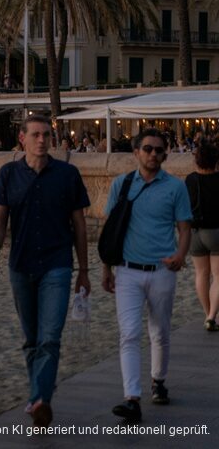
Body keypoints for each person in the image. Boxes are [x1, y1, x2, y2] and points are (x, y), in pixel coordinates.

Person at [0, 115, 91, 428]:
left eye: (47, 134)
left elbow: (80, 225)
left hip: (57, 265)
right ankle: (37, 395)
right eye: (36, 134)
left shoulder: (68, 174)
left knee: (50, 337)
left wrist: (83, 270)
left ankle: (42, 398)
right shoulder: (8, 174)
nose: (42, 140)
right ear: (22, 139)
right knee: (31, 339)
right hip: (20, 266)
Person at [102, 128, 193, 423]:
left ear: (165, 154)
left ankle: (159, 380)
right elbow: (111, 230)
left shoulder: (175, 187)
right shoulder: (122, 184)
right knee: (129, 334)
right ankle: (132, 398)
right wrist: (106, 267)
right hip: (127, 270)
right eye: (148, 149)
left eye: (159, 150)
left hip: (162, 269)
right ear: (136, 152)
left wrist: (180, 255)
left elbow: (184, 227)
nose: (153, 154)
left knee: (160, 331)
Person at [186, 143, 219, 331]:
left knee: (201, 274)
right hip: (215, 231)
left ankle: (207, 313)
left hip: (194, 232)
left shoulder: (190, 179)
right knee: (218, 275)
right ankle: (212, 315)